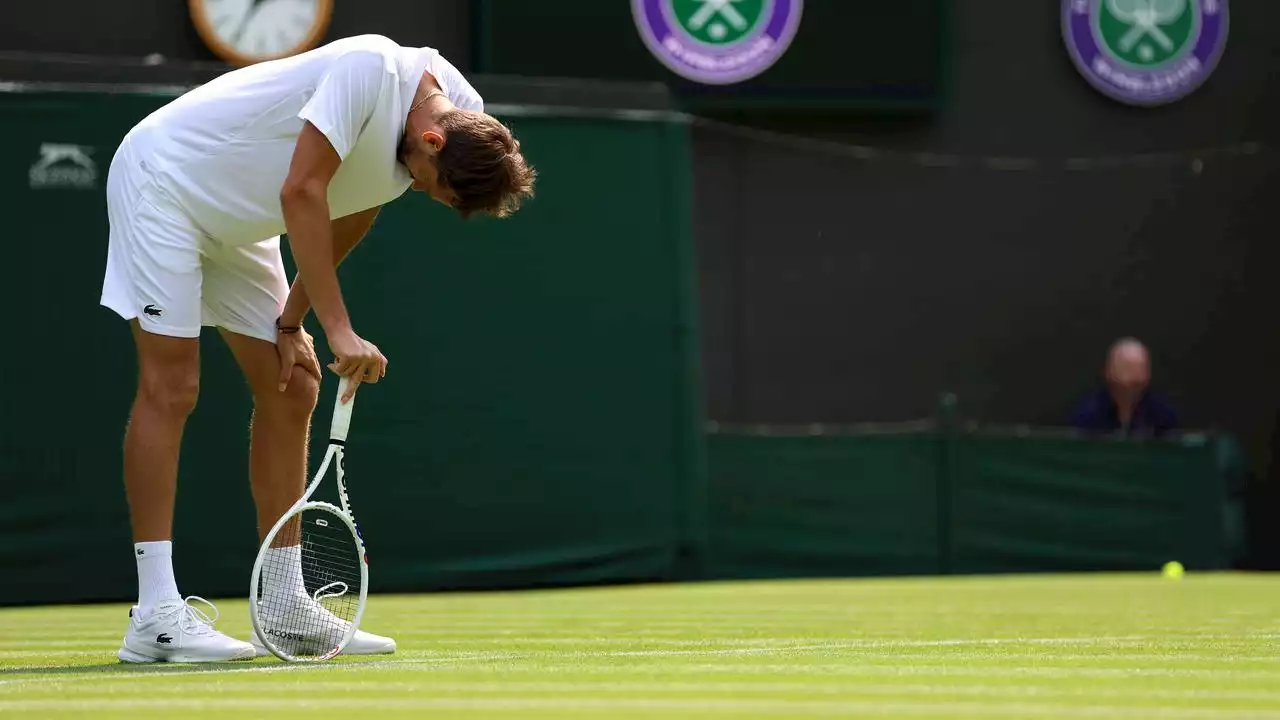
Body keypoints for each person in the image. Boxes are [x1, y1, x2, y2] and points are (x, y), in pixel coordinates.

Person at [100, 34, 536, 663]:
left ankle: (283, 608)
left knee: (295, 382)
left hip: (240, 223)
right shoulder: (370, 68)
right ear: (434, 141)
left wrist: (294, 321)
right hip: (165, 184)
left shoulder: (461, 110)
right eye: (429, 185)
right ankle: (156, 615)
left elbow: (355, 206)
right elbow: (303, 191)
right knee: (173, 385)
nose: (418, 190)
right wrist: (339, 330)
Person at [1070, 337, 1179, 438]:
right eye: (1127, 369)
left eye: (1141, 369)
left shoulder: (1161, 414)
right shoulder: (1088, 414)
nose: (1135, 379)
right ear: (1108, 372)